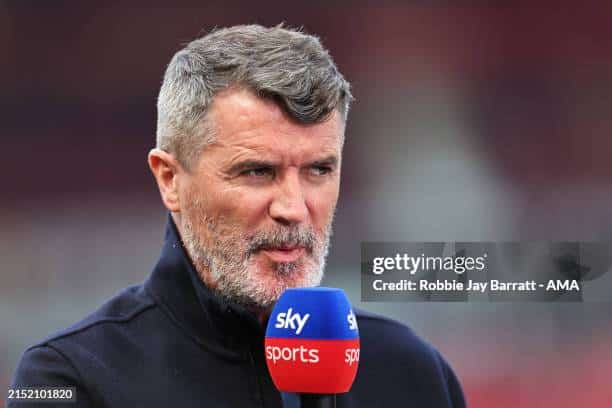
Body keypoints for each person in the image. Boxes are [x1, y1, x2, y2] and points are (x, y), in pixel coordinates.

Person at [10, 25, 465, 407]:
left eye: (319, 170)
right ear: (170, 179)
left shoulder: (413, 373)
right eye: (257, 171)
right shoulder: (69, 380)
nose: (293, 208)